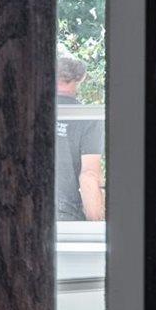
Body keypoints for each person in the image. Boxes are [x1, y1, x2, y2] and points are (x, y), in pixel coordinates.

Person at [54, 53, 107, 222]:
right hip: (66, 216)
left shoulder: (29, 113)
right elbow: (89, 175)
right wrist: (96, 226)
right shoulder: (87, 118)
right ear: (80, 79)